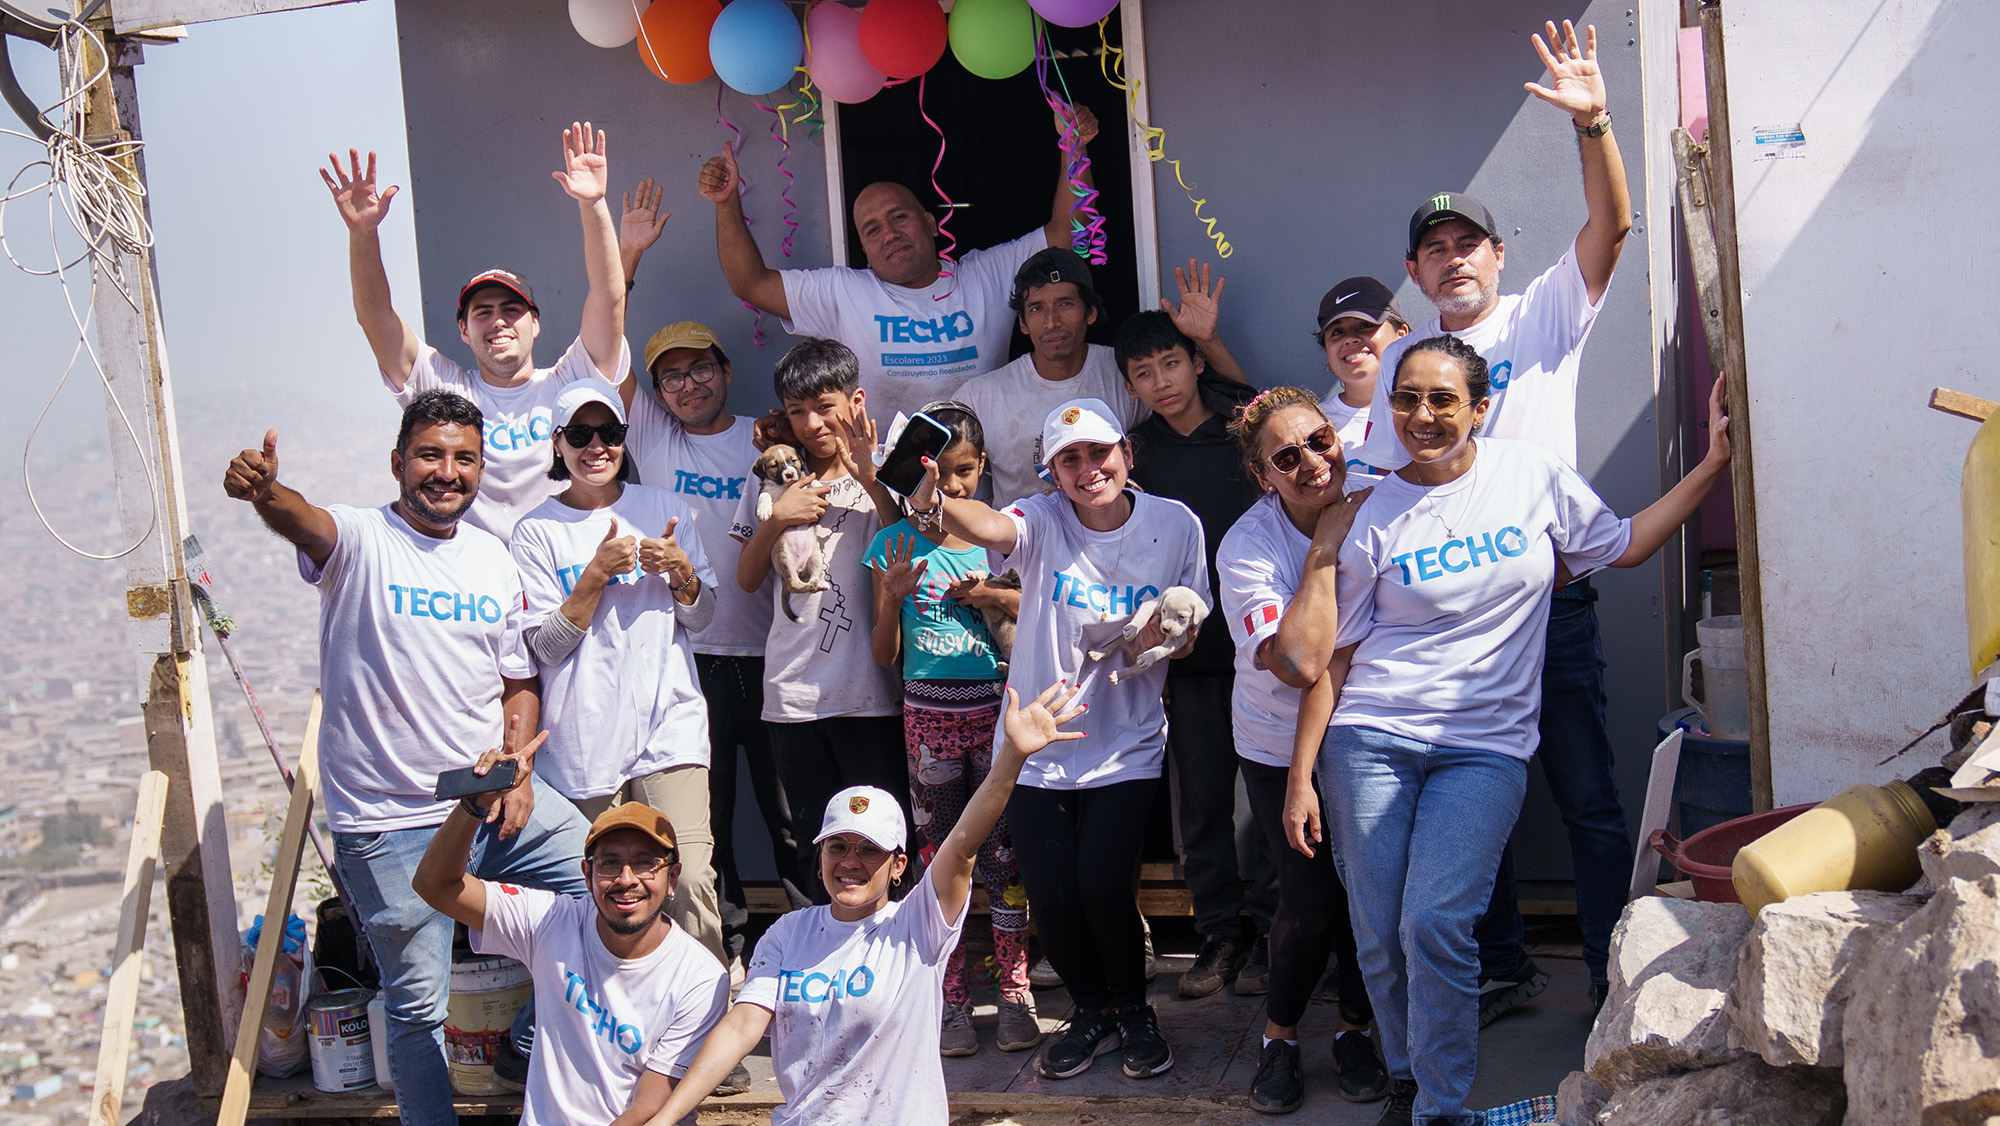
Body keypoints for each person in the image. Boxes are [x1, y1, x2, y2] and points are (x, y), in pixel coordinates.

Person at [1292, 336, 1732, 1126]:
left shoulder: (1531, 476)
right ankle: (1406, 1079)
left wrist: (1710, 464)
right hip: (1371, 739)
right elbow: (1334, 660)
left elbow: (1624, 545)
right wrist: (1301, 775)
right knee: (1379, 936)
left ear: (1479, 407)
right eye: (1406, 399)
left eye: (1441, 399)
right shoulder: (1372, 512)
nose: (1421, 416)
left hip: (1485, 748)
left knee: (1434, 922)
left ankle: (1441, 1108)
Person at [1353, 21, 1637, 1016]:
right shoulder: (1401, 368)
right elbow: (1383, 491)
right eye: (1431, 250)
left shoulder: (1541, 310)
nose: (1450, 259)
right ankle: (1499, 967)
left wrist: (1593, 120)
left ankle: (1609, 978)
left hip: (1546, 609)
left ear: (1494, 254)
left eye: (1463, 242)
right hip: (1440, 625)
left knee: (1589, 805)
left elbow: (1611, 226)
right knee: (1469, 813)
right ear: (1416, 273)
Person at [222, 391, 593, 1126]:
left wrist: (517, 767)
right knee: (417, 1008)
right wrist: (266, 492)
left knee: (601, 885)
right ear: (398, 462)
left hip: (490, 801)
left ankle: (522, 1040)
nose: (447, 472)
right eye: (430, 454)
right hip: (391, 824)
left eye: (464, 459)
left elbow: (518, 681)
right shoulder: (361, 539)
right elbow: (304, 519)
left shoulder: (490, 557)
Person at [905, 397, 1208, 1082]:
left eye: (1098, 451)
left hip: (1125, 741)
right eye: (1068, 459)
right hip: (1037, 743)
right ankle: (1092, 1012)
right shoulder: (1040, 519)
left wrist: (1167, 634)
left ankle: (1134, 1010)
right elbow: (987, 522)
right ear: (1051, 473)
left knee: (1102, 886)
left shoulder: (1175, 523)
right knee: (1052, 895)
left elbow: (1189, 637)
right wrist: (925, 488)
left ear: (1125, 452)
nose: (1087, 468)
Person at [646, 682, 1089, 1126]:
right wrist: (667, 1117)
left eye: (869, 849)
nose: (850, 862)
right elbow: (742, 1027)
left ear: (898, 865)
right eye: (837, 846)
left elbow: (961, 846)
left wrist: (1010, 756)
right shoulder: (787, 934)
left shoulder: (916, 928)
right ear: (819, 856)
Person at [321, 126, 629, 540]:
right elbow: (376, 317)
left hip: (569, 573)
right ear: (463, 331)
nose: (499, 321)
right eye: (482, 312)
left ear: (535, 324)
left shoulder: (571, 382)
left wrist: (593, 204)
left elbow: (609, 297)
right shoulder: (446, 391)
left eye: (512, 309)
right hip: (480, 583)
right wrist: (363, 233)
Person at [696, 108, 1102, 423]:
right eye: (872, 230)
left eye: (899, 217)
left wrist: (1075, 148)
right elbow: (750, 283)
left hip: (977, 479)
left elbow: (1063, 235)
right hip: (886, 488)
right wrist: (726, 203)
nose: (889, 233)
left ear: (930, 222)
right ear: (864, 250)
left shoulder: (985, 275)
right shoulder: (846, 293)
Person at [508, 382, 726, 969]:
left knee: (690, 879)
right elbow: (545, 649)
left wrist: (682, 572)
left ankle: (704, 1031)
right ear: (558, 445)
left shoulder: (662, 507)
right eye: (580, 435)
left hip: (670, 724)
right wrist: (592, 578)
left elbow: (703, 619)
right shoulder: (536, 531)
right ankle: (608, 1022)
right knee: (597, 895)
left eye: (610, 433)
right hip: (582, 741)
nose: (596, 446)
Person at [1217, 387, 1388, 1113]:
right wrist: (1324, 542)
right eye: (1288, 458)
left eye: (1320, 441)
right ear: (1264, 477)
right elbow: (1295, 664)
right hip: (1276, 741)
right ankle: (1280, 1038)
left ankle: (1354, 1029)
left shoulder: (1385, 498)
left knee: (1370, 897)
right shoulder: (1248, 546)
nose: (1315, 463)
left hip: (1373, 730)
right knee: (1311, 901)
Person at [413, 752, 729, 1126]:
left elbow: (647, 1108)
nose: (627, 879)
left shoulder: (702, 978)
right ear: (586, 874)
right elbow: (435, 886)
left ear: (673, 877)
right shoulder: (551, 920)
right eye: (609, 863)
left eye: (646, 863)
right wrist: (473, 804)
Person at [863, 402, 1036, 1057]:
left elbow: (1033, 607)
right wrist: (890, 597)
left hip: (994, 715)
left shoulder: (1001, 540)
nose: (950, 489)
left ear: (982, 467)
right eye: (935, 475)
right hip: (925, 720)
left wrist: (989, 594)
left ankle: (1015, 991)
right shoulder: (892, 546)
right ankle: (953, 999)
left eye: (962, 473)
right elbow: (883, 656)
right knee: (941, 860)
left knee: (1003, 858)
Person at [1113, 310, 1270, 999]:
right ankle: (1219, 937)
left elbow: (1276, 419)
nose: (1161, 381)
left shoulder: (1243, 425)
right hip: (1188, 658)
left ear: (1195, 361)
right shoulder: (1134, 453)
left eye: (1171, 363)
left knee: (1269, 799)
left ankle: (1272, 931)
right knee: (1202, 802)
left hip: (1264, 646)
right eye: (1143, 373)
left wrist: (1211, 333)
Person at [729, 338, 906, 895]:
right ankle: (813, 955)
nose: (811, 423)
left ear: (855, 401)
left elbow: (912, 543)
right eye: (797, 411)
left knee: (881, 835)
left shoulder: (887, 466)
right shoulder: (776, 476)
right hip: (792, 695)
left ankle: (886, 958)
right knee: (812, 839)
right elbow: (748, 578)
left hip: (869, 691)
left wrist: (871, 477)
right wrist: (777, 519)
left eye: (824, 407)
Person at [961, 253, 1238, 504]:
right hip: (1022, 554)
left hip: (1117, 547)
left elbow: (1235, 405)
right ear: (1022, 323)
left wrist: (1207, 340)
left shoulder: (1127, 371)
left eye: (1065, 304)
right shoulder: (981, 396)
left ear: (1090, 312)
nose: (1051, 322)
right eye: (1036, 309)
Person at [1313, 277, 1409, 477]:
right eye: (1337, 332)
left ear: (1402, 335)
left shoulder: (1432, 408)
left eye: (1365, 325)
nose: (1350, 339)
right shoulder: (1313, 426)